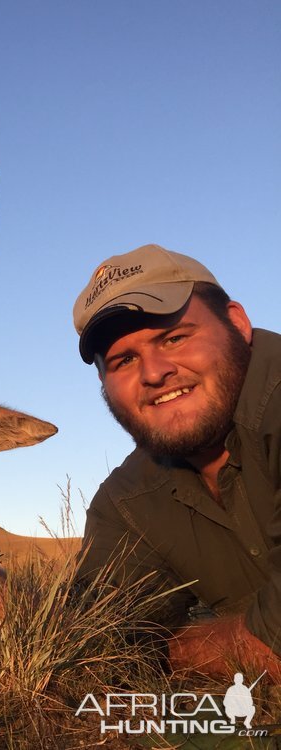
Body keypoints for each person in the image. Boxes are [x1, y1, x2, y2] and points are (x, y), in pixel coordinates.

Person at [72, 244, 281, 680]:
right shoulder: (127, 501)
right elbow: (94, 645)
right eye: (123, 360)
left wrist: (173, 650)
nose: (153, 372)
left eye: (174, 337)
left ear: (237, 323)